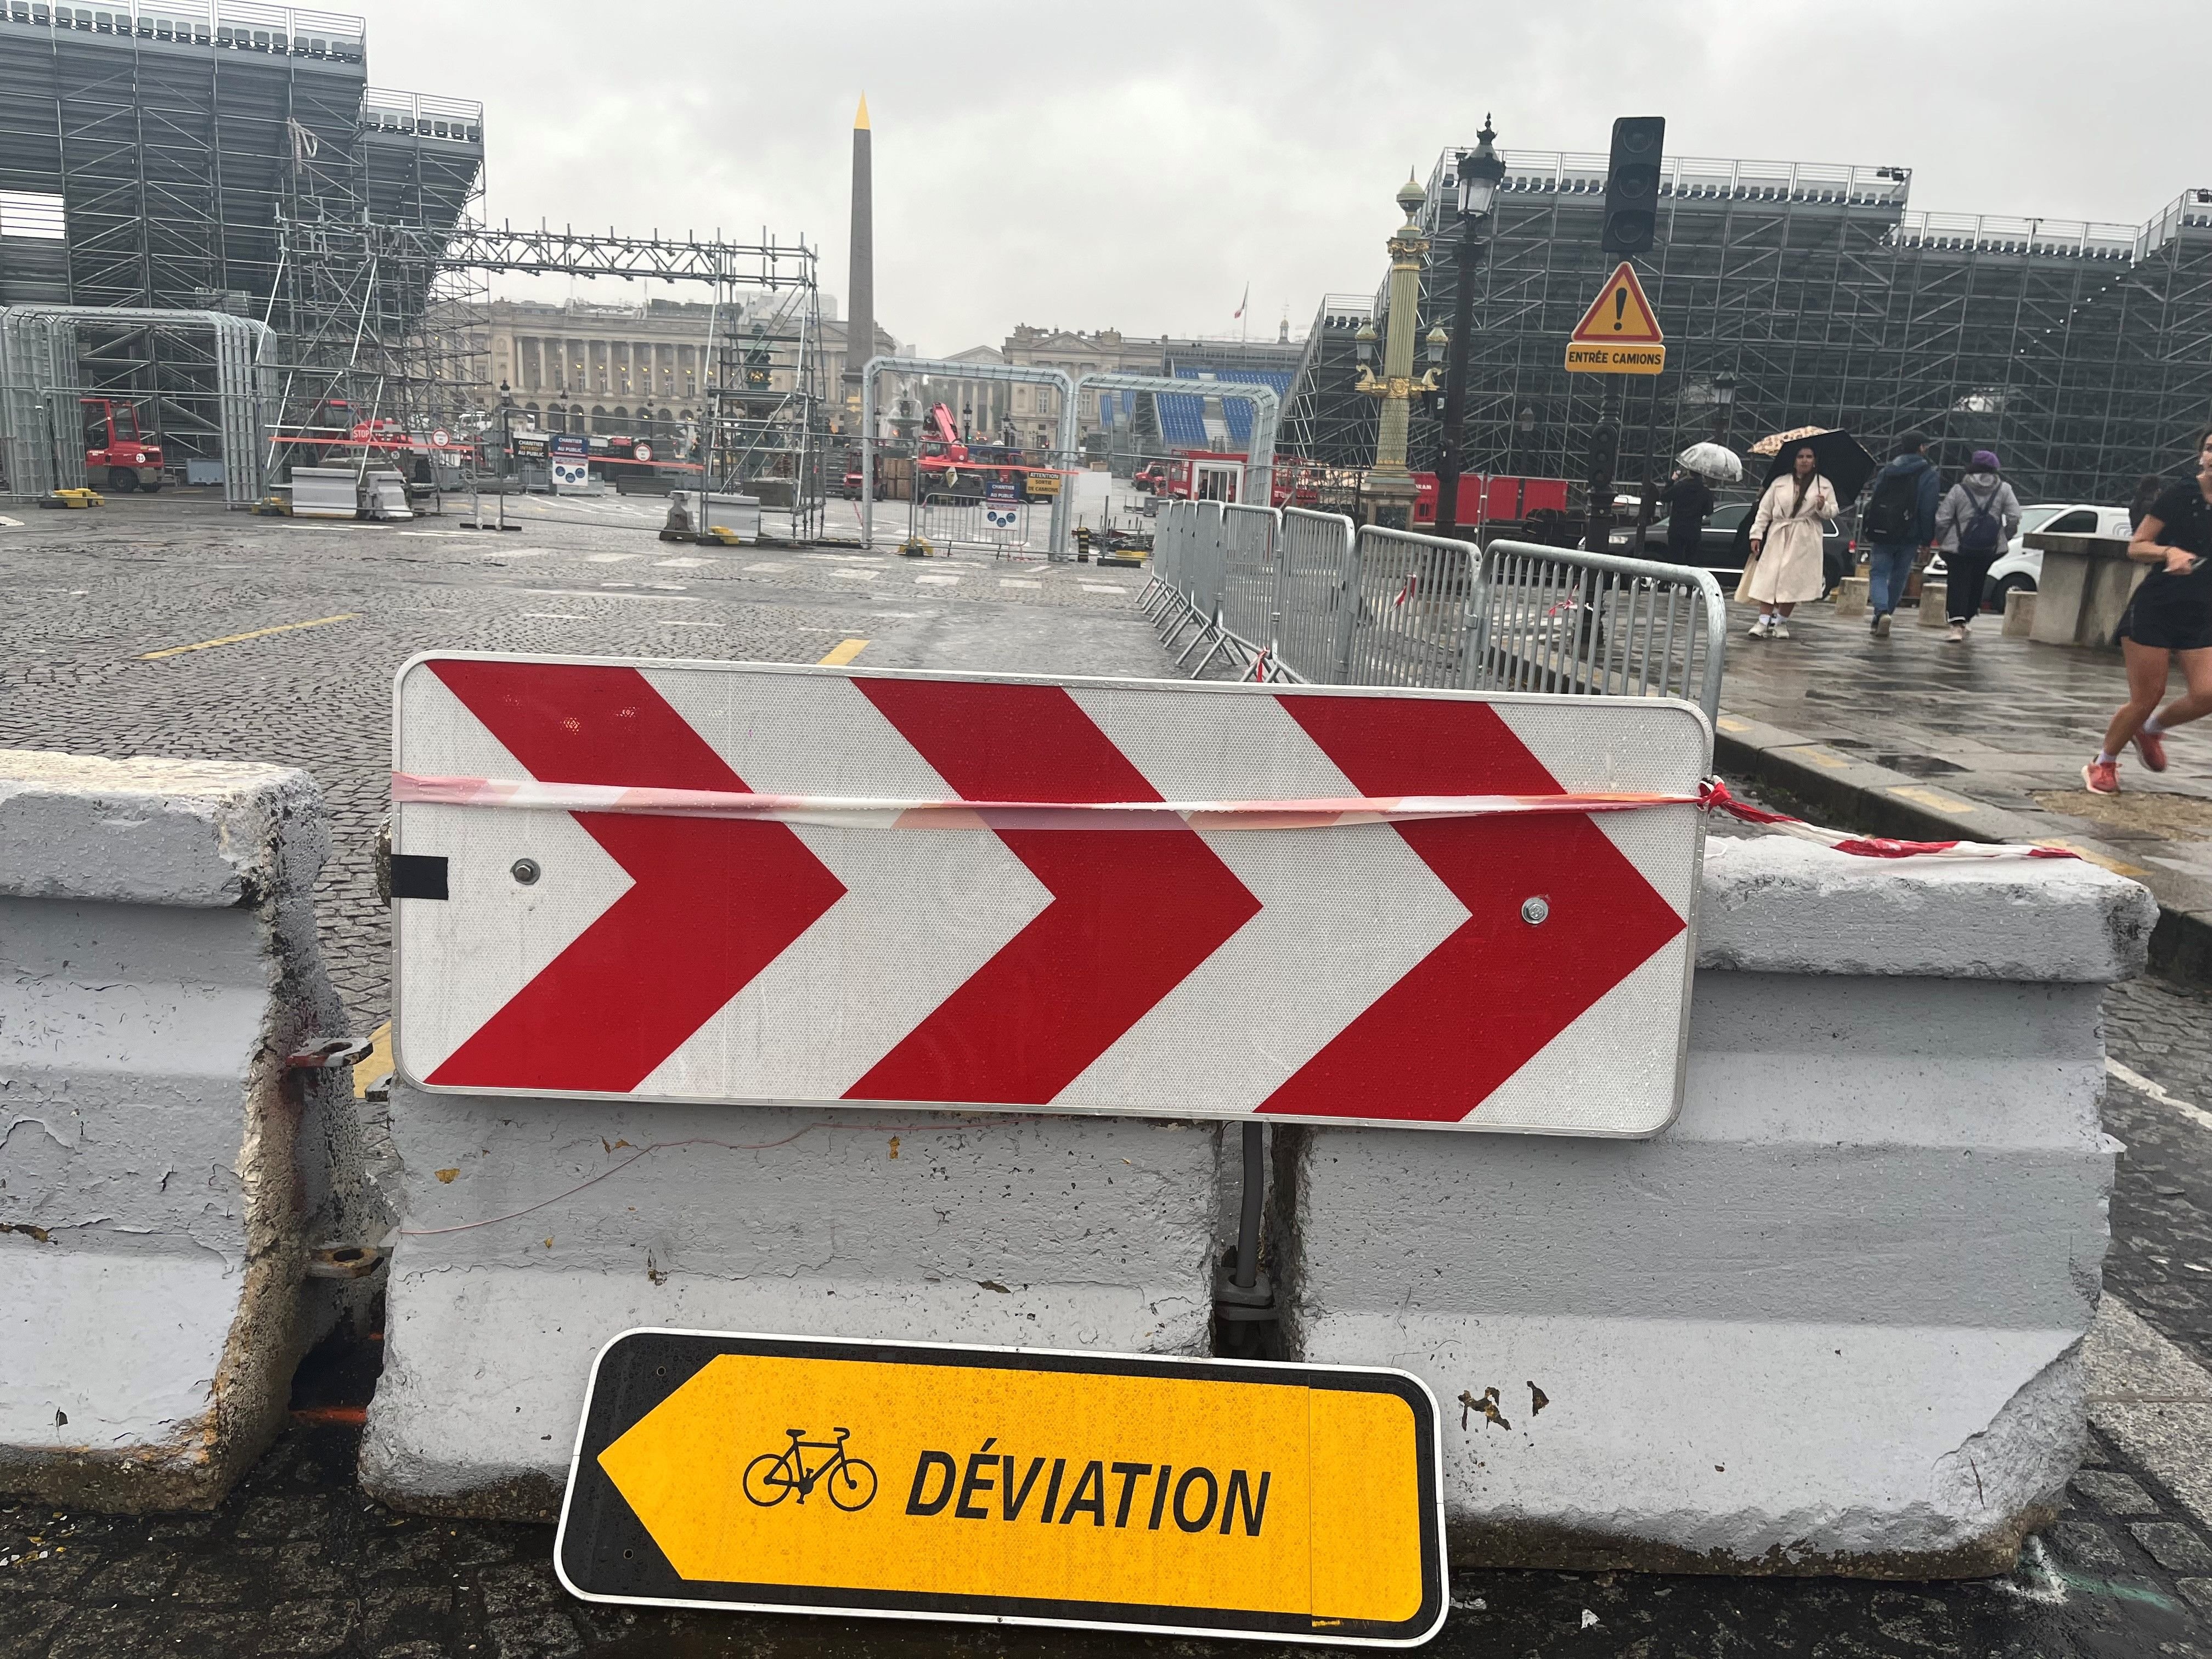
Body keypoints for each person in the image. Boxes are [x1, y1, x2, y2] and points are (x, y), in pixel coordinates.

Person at [2084, 429, 2212, 795]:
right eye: (2209, 449)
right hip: (2158, 605)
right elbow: (2137, 546)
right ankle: (2103, 762)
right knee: (2147, 694)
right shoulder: (2179, 494)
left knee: (2207, 694)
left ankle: (2151, 730)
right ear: (2200, 455)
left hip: (2202, 610)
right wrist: (2168, 553)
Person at [1741, 443, 1837, 639]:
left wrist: (1822, 505)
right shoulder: (1780, 483)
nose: (1805, 460)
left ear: (1815, 460)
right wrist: (1756, 534)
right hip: (1779, 534)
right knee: (1769, 577)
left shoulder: (1823, 485)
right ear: (1794, 461)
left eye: (1809, 456)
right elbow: (1764, 511)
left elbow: (1832, 512)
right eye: (1800, 456)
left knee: (1792, 581)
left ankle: (1781, 623)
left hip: (1804, 537)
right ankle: (1762, 622)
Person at [1932, 450, 2021, 642]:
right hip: (1989, 548)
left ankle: (1957, 625)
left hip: (1958, 548)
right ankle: (1968, 618)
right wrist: (2005, 535)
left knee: (1957, 582)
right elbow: (2014, 516)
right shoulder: (2004, 489)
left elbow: (1942, 519)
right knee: (1977, 581)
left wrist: (1943, 540)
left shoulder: (1959, 490)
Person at [1858, 433, 1940, 637]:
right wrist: (1926, 539)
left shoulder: (1888, 471)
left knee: (1878, 573)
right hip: (1909, 533)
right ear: (1922, 448)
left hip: (1883, 530)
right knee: (1899, 576)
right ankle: (1886, 614)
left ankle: (1881, 611)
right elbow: (1928, 509)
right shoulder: (1929, 474)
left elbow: (1876, 499)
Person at [1659, 467, 1714, 562]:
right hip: (1693, 530)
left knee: (1675, 560)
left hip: (1676, 529)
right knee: (1691, 561)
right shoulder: (1705, 491)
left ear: (1689, 473)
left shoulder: (1680, 487)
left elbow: (1664, 497)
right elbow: (1709, 511)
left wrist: (1672, 480)